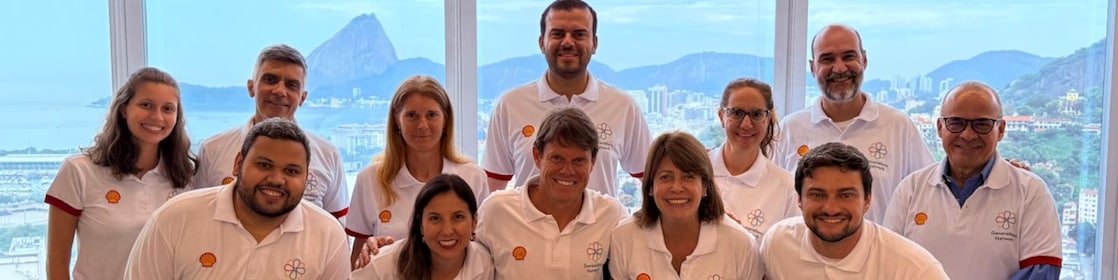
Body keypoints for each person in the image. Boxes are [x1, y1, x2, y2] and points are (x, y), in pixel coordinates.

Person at [124, 118, 349, 279]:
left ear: (306, 177)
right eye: (264, 165)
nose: (277, 179)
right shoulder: (174, 218)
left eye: (291, 171)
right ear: (238, 163)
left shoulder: (327, 235)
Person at [884, 82, 1062, 280]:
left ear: (1001, 130)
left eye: (982, 124)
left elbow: (1040, 273)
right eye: (956, 122)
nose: (968, 135)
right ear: (940, 127)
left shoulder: (1031, 192)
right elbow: (888, 265)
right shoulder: (910, 189)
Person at [482, 0, 651, 196]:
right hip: (526, 226)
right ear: (541, 43)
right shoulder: (510, 105)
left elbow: (650, 180)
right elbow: (491, 188)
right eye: (558, 33)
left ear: (594, 43)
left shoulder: (622, 106)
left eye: (579, 34)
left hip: (602, 226)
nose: (568, 42)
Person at [772, 24, 934, 223]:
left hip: (879, 252)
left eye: (848, 56)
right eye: (827, 59)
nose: (839, 68)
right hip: (802, 252)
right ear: (813, 68)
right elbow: (771, 198)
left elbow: (927, 195)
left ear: (864, 60)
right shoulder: (789, 130)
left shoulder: (899, 127)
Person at [44, 67, 196, 280]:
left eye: (168, 109)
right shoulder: (79, 171)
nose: (157, 117)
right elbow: (57, 260)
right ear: (124, 109)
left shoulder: (185, 176)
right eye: (146, 105)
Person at [347, 75, 490, 268]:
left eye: (431, 115)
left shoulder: (473, 177)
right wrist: (369, 250)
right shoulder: (370, 179)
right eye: (412, 115)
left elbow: (484, 250)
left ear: (445, 119)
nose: (422, 125)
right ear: (397, 120)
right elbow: (358, 260)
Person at [194, 44, 349, 218]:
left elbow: (337, 228)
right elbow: (200, 216)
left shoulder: (328, 155)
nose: (280, 91)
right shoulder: (213, 150)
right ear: (251, 87)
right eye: (270, 80)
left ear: (302, 98)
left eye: (291, 85)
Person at [476, 107, 627, 279]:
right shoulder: (495, 211)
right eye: (557, 158)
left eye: (579, 161)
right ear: (537, 156)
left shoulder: (611, 215)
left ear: (592, 162)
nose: (567, 170)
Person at [761, 142, 948, 279]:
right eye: (818, 194)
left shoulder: (915, 270)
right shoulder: (778, 244)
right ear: (799, 200)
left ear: (867, 200)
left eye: (846, 195)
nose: (831, 208)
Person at [609, 132, 764, 279]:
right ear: (650, 186)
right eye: (666, 177)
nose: (677, 187)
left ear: (705, 187)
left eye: (688, 177)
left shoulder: (741, 244)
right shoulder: (624, 237)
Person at [352, 174, 494, 280]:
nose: (447, 230)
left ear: (474, 222)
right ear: (420, 225)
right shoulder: (381, 266)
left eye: (458, 217)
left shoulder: (485, 264)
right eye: (435, 218)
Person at [711, 78, 799, 238]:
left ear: (769, 119)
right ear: (721, 116)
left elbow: (790, 251)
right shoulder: (695, 171)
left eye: (756, 114)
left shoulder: (787, 187)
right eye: (736, 113)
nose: (746, 124)